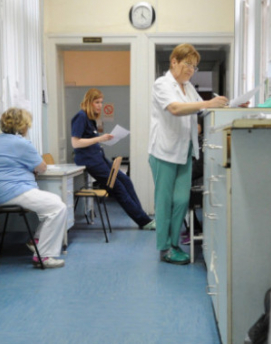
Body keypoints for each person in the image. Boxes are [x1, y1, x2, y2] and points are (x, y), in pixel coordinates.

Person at [149, 44, 227, 264]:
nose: (191, 69)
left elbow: (200, 108)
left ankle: (174, 243)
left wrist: (227, 106)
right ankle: (166, 248)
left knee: (182, 200)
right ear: (174, 61)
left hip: (184, 152)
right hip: (163, 151)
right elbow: (175, 109)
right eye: (187, 64)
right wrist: (208, 102)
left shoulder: (188, 87)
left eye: (194, 66)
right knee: (165, 203)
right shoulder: (162, 84)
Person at [0, 108, 67, 269]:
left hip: (1, 192)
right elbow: (42, 167)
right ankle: (43, 256)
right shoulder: (21, 143)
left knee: (54, 202)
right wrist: (32, 169)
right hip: (14, 191)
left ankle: (36, 241)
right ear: (22, 125)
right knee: (58, 207)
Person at [71, 88, 155, 230]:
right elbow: (76, 143)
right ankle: (143, 221)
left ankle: (142, 215)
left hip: (98, 157)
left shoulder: (90, 119)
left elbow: (89, 139)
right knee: (118, 188)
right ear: (89, 102)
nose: (100, 105)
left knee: (126, 181)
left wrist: (104, 139)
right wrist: (100, 138)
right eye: (97, 102)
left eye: (101, 102)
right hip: (89, 160)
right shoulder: (80, 117)